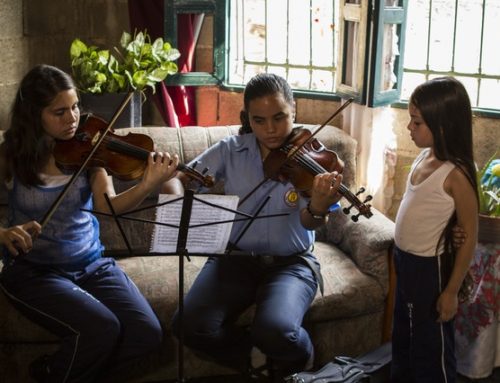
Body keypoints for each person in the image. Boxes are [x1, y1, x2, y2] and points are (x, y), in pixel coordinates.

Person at [0, 64, 180, 382]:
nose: (72, 119)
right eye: (59, 112)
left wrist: (149, 183)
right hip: (33, 271)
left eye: (75, 107)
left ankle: (54, 370)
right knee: (103, 328)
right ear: (33, 114)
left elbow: (108, 208)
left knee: (147, 333)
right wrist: (2, 233)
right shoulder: (10, 154)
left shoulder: (90, 152)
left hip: (91, 265)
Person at [168, 73, 343, 381]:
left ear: (294, 109)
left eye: (279, 117)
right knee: (188, 324)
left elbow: (311, 221)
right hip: (235, 260)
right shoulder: (230, 149)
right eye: (259, 120)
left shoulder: (312, 159)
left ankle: (304, 361)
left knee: (276, 330)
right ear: (248, 118)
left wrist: (317, 204)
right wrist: (174, 192)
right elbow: (181, 179)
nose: (271, 129)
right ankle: (252, 357)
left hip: (291, 263)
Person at [392, 76, 479, 383]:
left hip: (429, 269)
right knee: (403, 338)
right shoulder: (423, 157)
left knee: (431, 348)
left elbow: (470, 236)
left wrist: (451, 291)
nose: (409, 128)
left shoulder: (457, 174)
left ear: (441, 126)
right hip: (404, 262)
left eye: (416, 123)